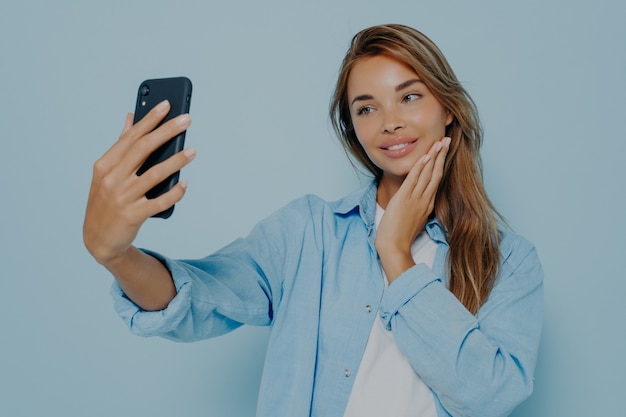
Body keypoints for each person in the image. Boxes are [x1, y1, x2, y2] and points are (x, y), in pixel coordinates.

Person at [83, 24, 543, 417]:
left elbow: (491, 394)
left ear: (447, 108)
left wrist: (396, 254)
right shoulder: (308, 232)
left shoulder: (510, 261)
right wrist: (117, 256)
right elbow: (201, 300)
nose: (389, 122)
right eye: (366, 108)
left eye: (410, 96)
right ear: (353, 128)